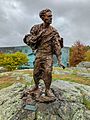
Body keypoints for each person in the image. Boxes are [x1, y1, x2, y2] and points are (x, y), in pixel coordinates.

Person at [23, 9, 65, 97]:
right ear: (43, 17)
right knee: (36, 72)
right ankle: (36, 86)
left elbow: (57, 45)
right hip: (39, 54)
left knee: (48, 72)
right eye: (49, 16)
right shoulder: (36, 28)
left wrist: (59, 60)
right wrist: (39, 36)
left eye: (51, 16)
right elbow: (29, 39)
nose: (51, 18)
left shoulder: (53, 31)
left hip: (48, 55)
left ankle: (47, 89)